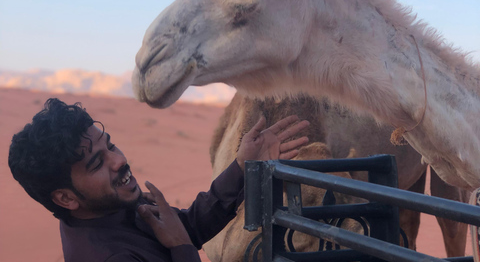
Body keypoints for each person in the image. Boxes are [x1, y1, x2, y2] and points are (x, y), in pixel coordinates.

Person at [8, 98, 309, 262]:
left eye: (110, 145)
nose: (119, 160)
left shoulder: (107, 207)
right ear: (66, 198)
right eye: (98, 163)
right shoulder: (111, 256)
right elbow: (180, 237)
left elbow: (188, 226)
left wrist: (243, 166)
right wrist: (180, 246)